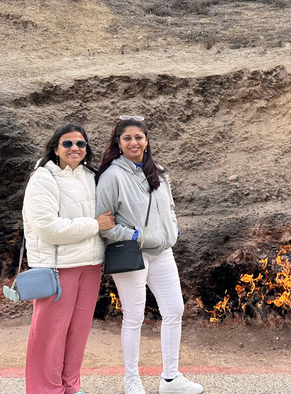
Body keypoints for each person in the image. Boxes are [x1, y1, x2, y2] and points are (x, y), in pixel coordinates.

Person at [96, 116, 203, 394]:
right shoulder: (111, 176)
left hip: (163, 252)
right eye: (127, 138)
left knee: (174, 310)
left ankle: (170, 379)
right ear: (118, 143)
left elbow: (168, 207)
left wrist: (173, 229)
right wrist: (134, 236)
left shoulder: (158, 170)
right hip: (133, 254)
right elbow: (103, 223)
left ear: (146, 140)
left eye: (139, 137)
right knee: (134, 317)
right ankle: (132, 381)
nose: (134, 142)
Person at [22, 123, 116, 394]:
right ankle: (45, 390)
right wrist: (95, 225)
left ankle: (71, 387)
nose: (75, 148)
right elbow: (47, 227)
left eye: (80, 144)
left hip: (90, 265)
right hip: (58, 267)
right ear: (56, 148)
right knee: (50, 335)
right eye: (68, 143)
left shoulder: (90, 175)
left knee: (77, 333)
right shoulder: (43, 178)